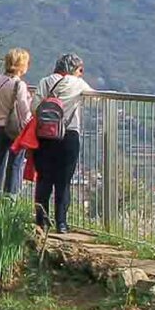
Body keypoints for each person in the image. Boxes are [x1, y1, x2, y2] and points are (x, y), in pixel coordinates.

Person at [32, 54, 95, 232]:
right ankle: (61, 223)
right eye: (80, 69)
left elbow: (34, 107)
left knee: (44, 179)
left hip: (44, 135)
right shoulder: (77, 83)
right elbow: (95, 98)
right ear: (74, 69)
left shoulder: (45, 82)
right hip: (69, 135)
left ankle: (41, 221)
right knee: (63, 181)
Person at [0, 48, 33, 195]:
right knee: (15, 164)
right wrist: (29, 127)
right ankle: (10, 197)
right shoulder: (19, 85)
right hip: (14, 129)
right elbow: (24, 110)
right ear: (21, 65)